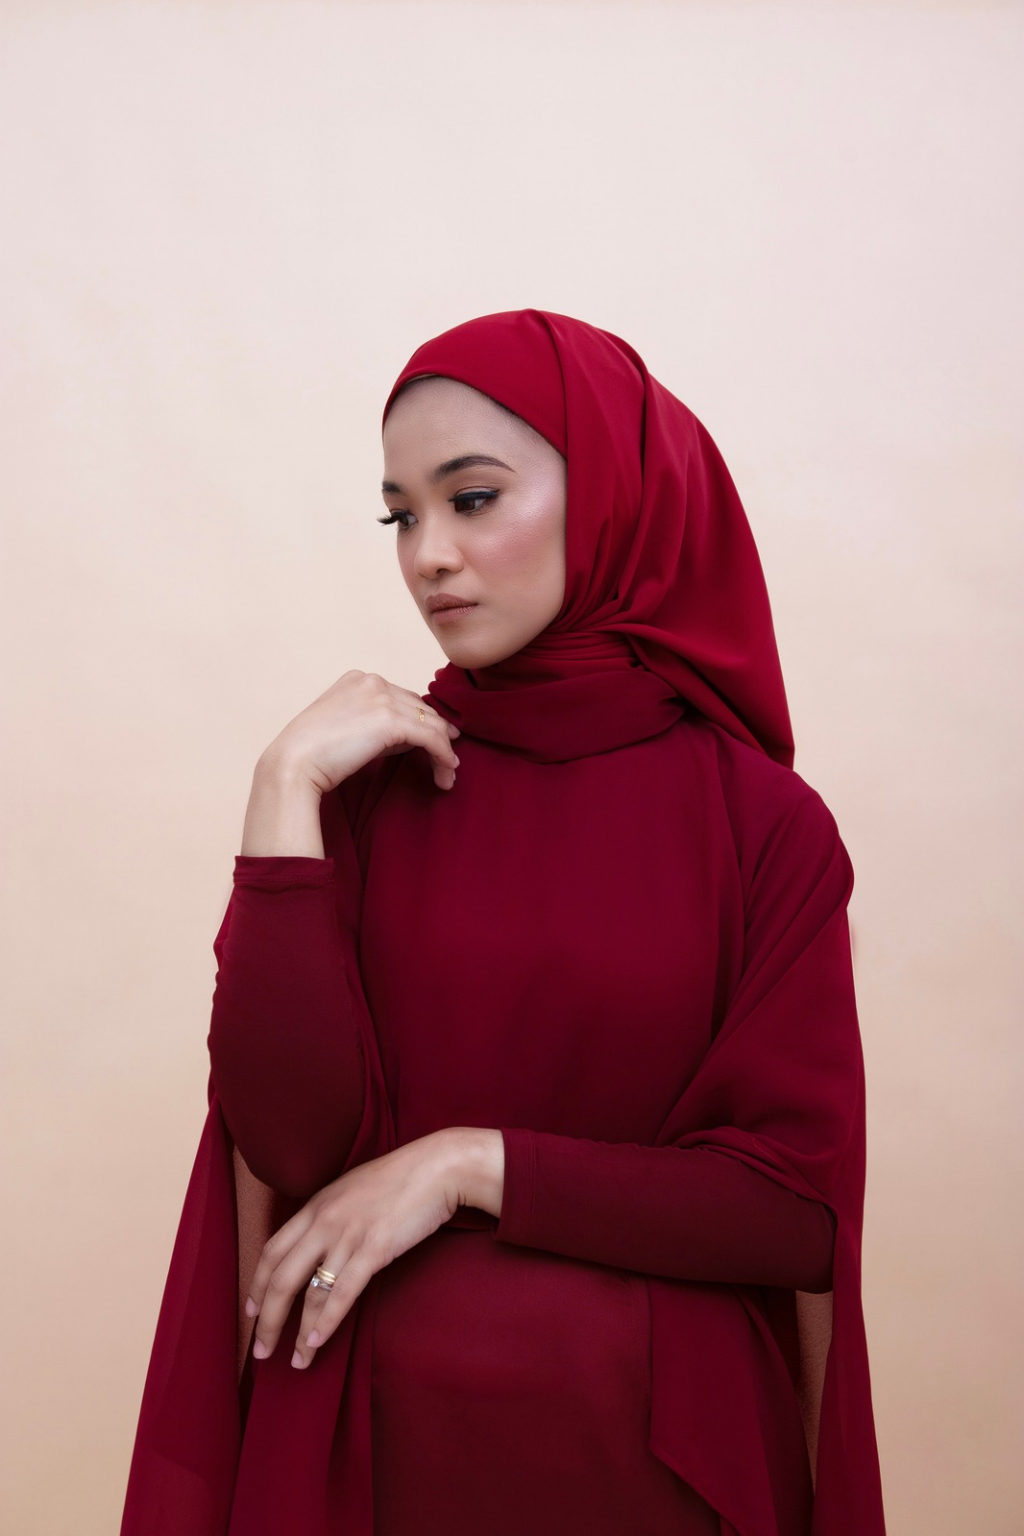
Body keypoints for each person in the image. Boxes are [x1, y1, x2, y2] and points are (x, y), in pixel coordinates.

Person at [120, 309, 887, 1536]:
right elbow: (288, 1150)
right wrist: (282, 793)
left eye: (472, 498)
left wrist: (467, 1166)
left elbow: (791, 1213)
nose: (429, 555)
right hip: (363, 1464)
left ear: (615, 495)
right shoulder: (362, 799)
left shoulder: (761, 824)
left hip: (655, 1475)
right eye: (400, 515)